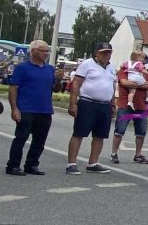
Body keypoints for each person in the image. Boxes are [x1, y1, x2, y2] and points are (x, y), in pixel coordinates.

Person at [6, 39, 55, 175]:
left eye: (47, 51)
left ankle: (32, 164)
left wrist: (58, 81)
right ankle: (13, 165)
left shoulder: (49, 69)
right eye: (43, 51)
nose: (46, 53)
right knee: (21, 138)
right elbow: (13, 88)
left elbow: (53, 88)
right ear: (33, 51)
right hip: (26, 108)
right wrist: (14, 108)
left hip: (44, 110)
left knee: (40, 140)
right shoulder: (22, 68)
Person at [66, 42, 116, 174]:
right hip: (88, 103)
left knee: (100, 135)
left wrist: (113, 104)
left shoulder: (111, 67)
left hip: (104, 105)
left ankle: (93, 163)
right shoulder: (87, 64)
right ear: (96, 53)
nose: (106, 55)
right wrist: (73, 103)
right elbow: (76, 84)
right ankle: (71, 163)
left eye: (108, 52)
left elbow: (112, 86)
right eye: (103, 52)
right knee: (79, 133)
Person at [110, 51, 148, 164]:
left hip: (142, 106)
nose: (145, 60)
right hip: (125, 105)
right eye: (143, 57)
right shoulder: (124, 70)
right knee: (119, 130)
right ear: (136, 58)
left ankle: (138, 155)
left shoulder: (144, 72)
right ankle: (114, 153)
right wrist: (141, 85)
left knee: (141, 132)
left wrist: (142, 85)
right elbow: (125, 83)